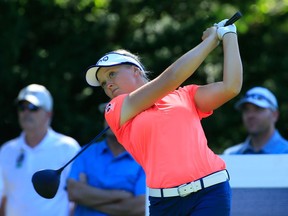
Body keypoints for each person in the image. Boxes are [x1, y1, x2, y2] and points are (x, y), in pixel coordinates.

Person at [85, 18, 242, 216]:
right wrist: (210, 41)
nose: (107, 84)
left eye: (112, 74)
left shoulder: (184, 95)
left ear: (135, 71)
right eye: (102, 83)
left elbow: (231, 87)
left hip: (210, 191)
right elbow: (171, 78)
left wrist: (228, 34)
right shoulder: (115, 109)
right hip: (164, 202)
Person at [0, 84, 81, 216]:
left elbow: (78, 195)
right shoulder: (6, 150)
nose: (26, 112)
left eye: (33, 108)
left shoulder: (68, 147)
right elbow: (3, 197)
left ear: (48, 114)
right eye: (22, 107)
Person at [67, 103, 146, 216]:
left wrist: (87, 197)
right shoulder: (86, 152)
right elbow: (74, 192)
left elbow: (140, 207)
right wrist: (118, 195)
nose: (110, 117)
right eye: (108, 112)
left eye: (117, 112)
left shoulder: (143, 158)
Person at [223, 86, 288, 154]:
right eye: (246, 110)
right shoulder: (231, 154)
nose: (250, 115)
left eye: (258, 109)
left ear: (275, 115)